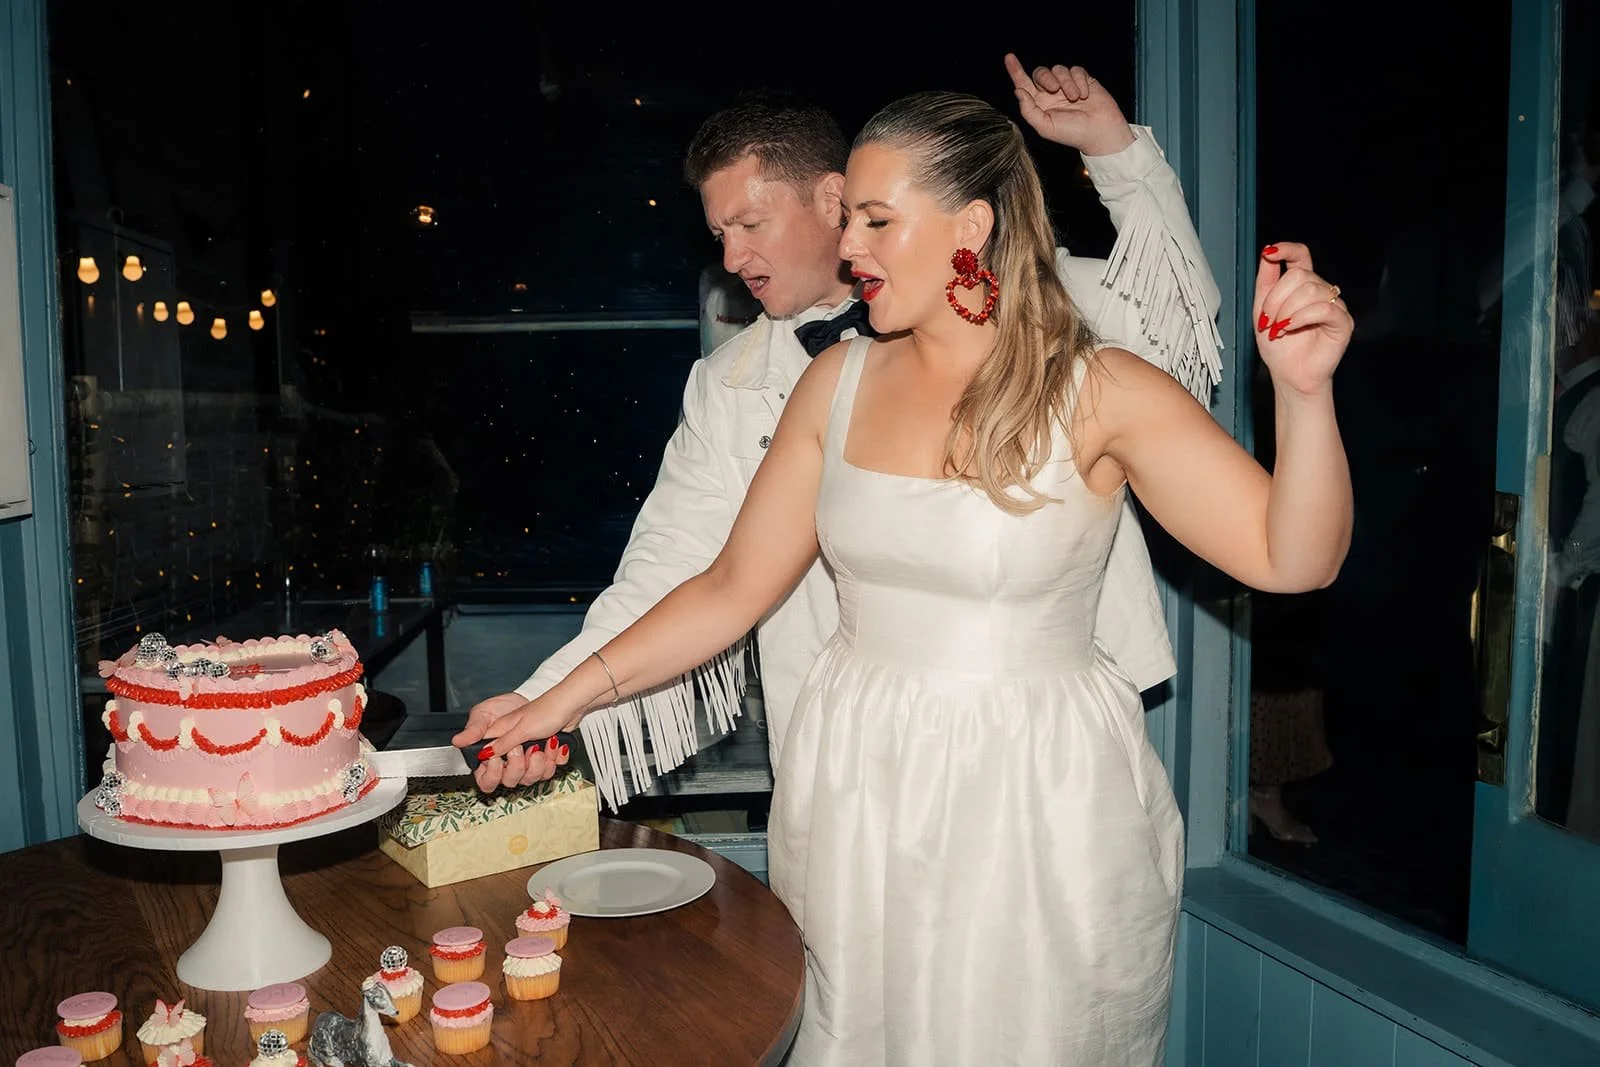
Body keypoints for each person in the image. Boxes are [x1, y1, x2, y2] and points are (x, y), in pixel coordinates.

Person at [465, 89, 1353, 1063]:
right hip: (853, 777)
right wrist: (558, 700)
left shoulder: (1100, 389)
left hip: (1036, 786)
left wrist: (1302, 394)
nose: (850, 249)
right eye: (849, 220)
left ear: (971, 227)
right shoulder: (830, 384)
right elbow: (726, 588)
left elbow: (1294, 558)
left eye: (877, 221)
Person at [462, 57, 1224, 810]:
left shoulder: (1024, 302)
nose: (731, 258)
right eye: (719, 232)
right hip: (845, 754)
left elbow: (1178, 324)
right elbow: (670, 571)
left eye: (750, 224)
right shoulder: (727, 387)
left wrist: (1113, 151)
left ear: (834, 199)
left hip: (1040, 744)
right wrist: (544, 701)